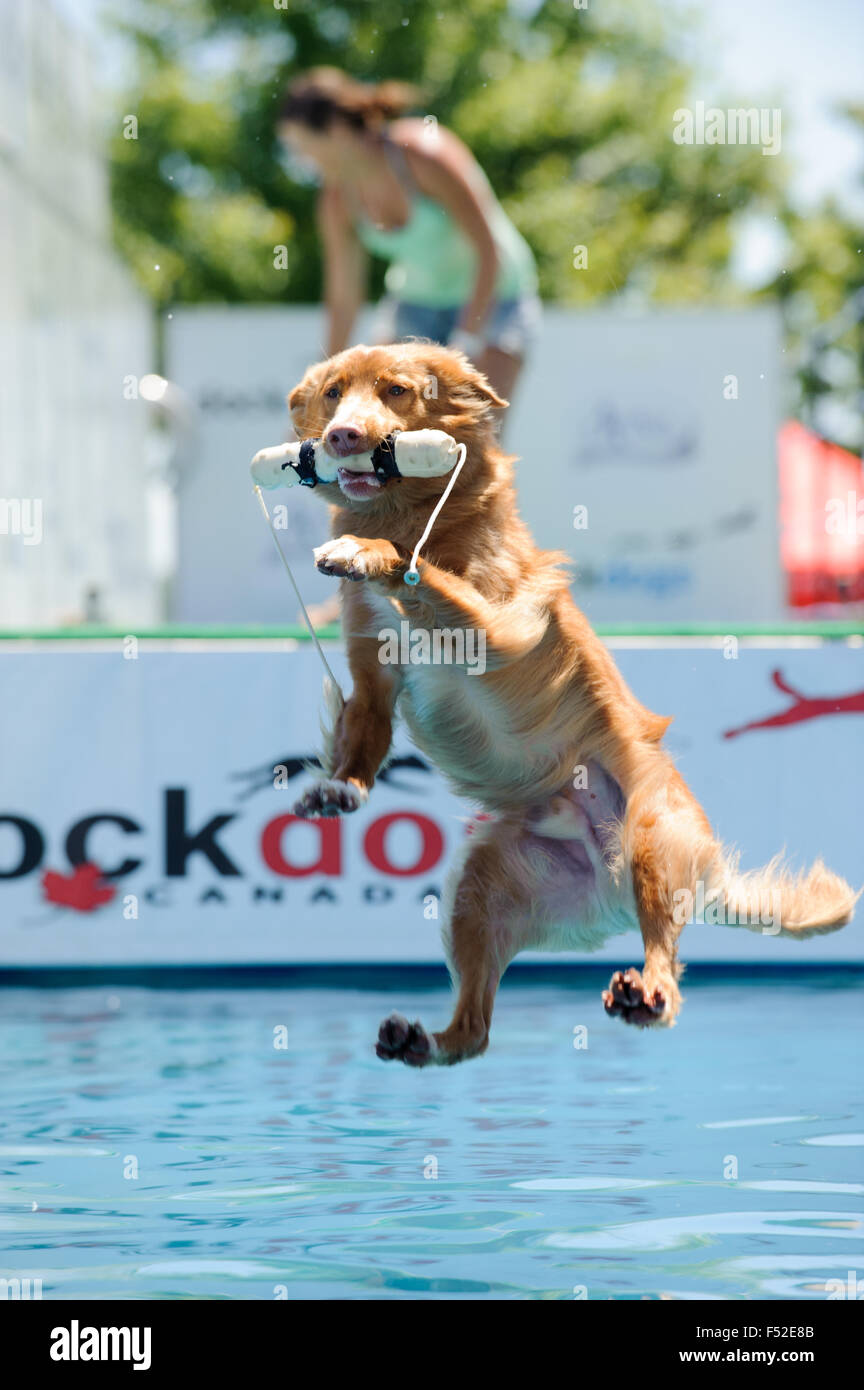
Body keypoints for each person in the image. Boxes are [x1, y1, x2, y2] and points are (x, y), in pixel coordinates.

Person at [278, 68, 541, 402]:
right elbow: (344, 298)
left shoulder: (424, 154)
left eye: (302, 146)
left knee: (477, 438)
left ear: (336, 130)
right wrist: (324, 388)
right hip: (415, 305)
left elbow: (488, 250)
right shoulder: (335, 200)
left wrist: (467, 341)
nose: (301, 161)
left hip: (495, 299)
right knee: (385, 430)